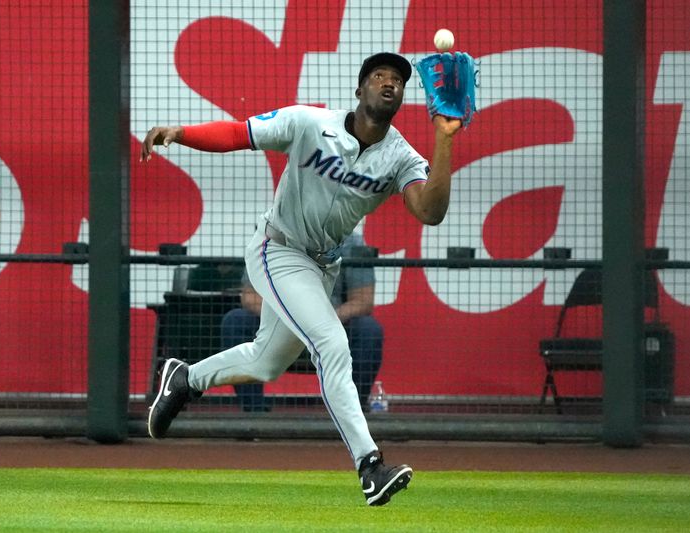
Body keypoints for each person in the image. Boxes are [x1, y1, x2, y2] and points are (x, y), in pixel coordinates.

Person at [141, 52, 464, 506]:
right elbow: (239, 133)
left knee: (265, 362)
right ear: (359, 90)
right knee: (332, 344)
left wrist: (445, 140)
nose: (388, 83)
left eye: (397, 80)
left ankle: (185, 379)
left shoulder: (400, 157)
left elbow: (430, 212)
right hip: (278, 248)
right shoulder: (310, 124)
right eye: (378, 76)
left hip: (321, 267)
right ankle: (370, 466)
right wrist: (181, 134)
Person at [222, 231, 383, 412]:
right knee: (235, 321)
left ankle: (350, 412)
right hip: (279, 323)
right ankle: (254, 412)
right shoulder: (269, 235)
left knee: (369, 329)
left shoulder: (349, 240)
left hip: (330, 325)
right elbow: (250, 296)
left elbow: (363, 301)